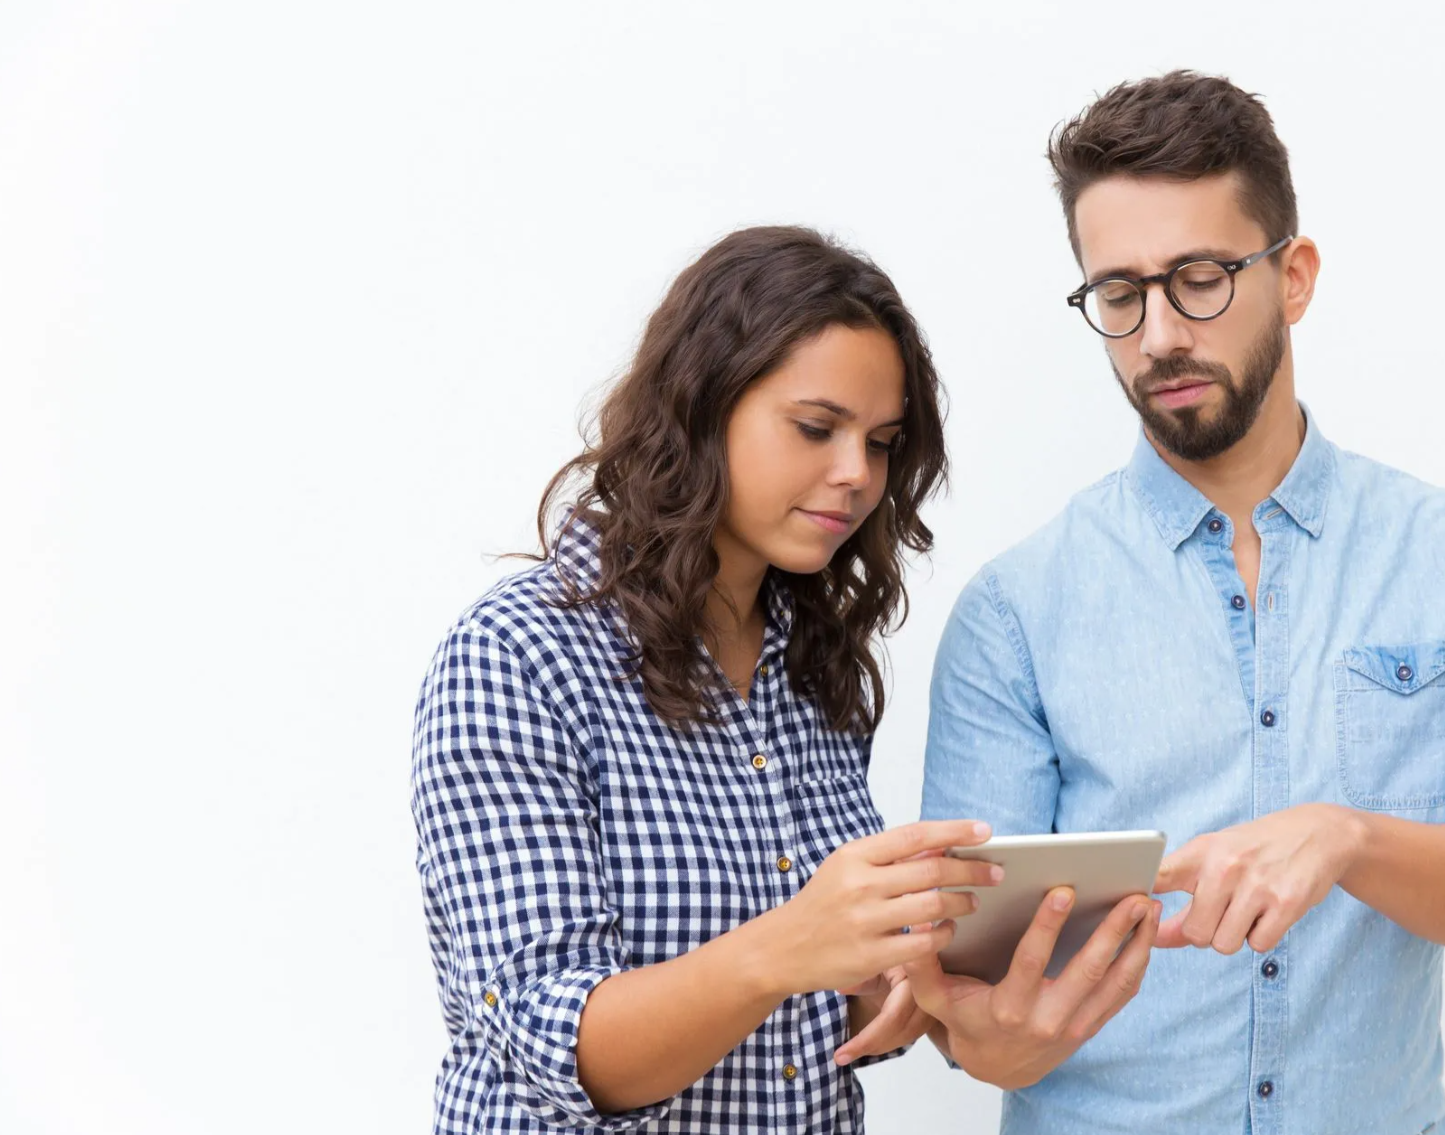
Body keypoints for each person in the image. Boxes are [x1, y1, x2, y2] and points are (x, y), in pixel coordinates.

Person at [911, 71, 1445, 1135]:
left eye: (1198, 279)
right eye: (1119, 294)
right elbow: (968, 991)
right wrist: (977, 1034)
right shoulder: (1013, 612)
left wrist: (1347, 839)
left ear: (1294, 277)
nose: (1157, 336)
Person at [409, 225, 1150, 1134]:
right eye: (814, 428)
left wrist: (903, 980)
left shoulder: (810, 659)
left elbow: (812, 1018)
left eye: (881, 442)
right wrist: (791, 945)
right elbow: (553, 1047)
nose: (856, 475)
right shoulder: (516, 655)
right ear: (700, 405)